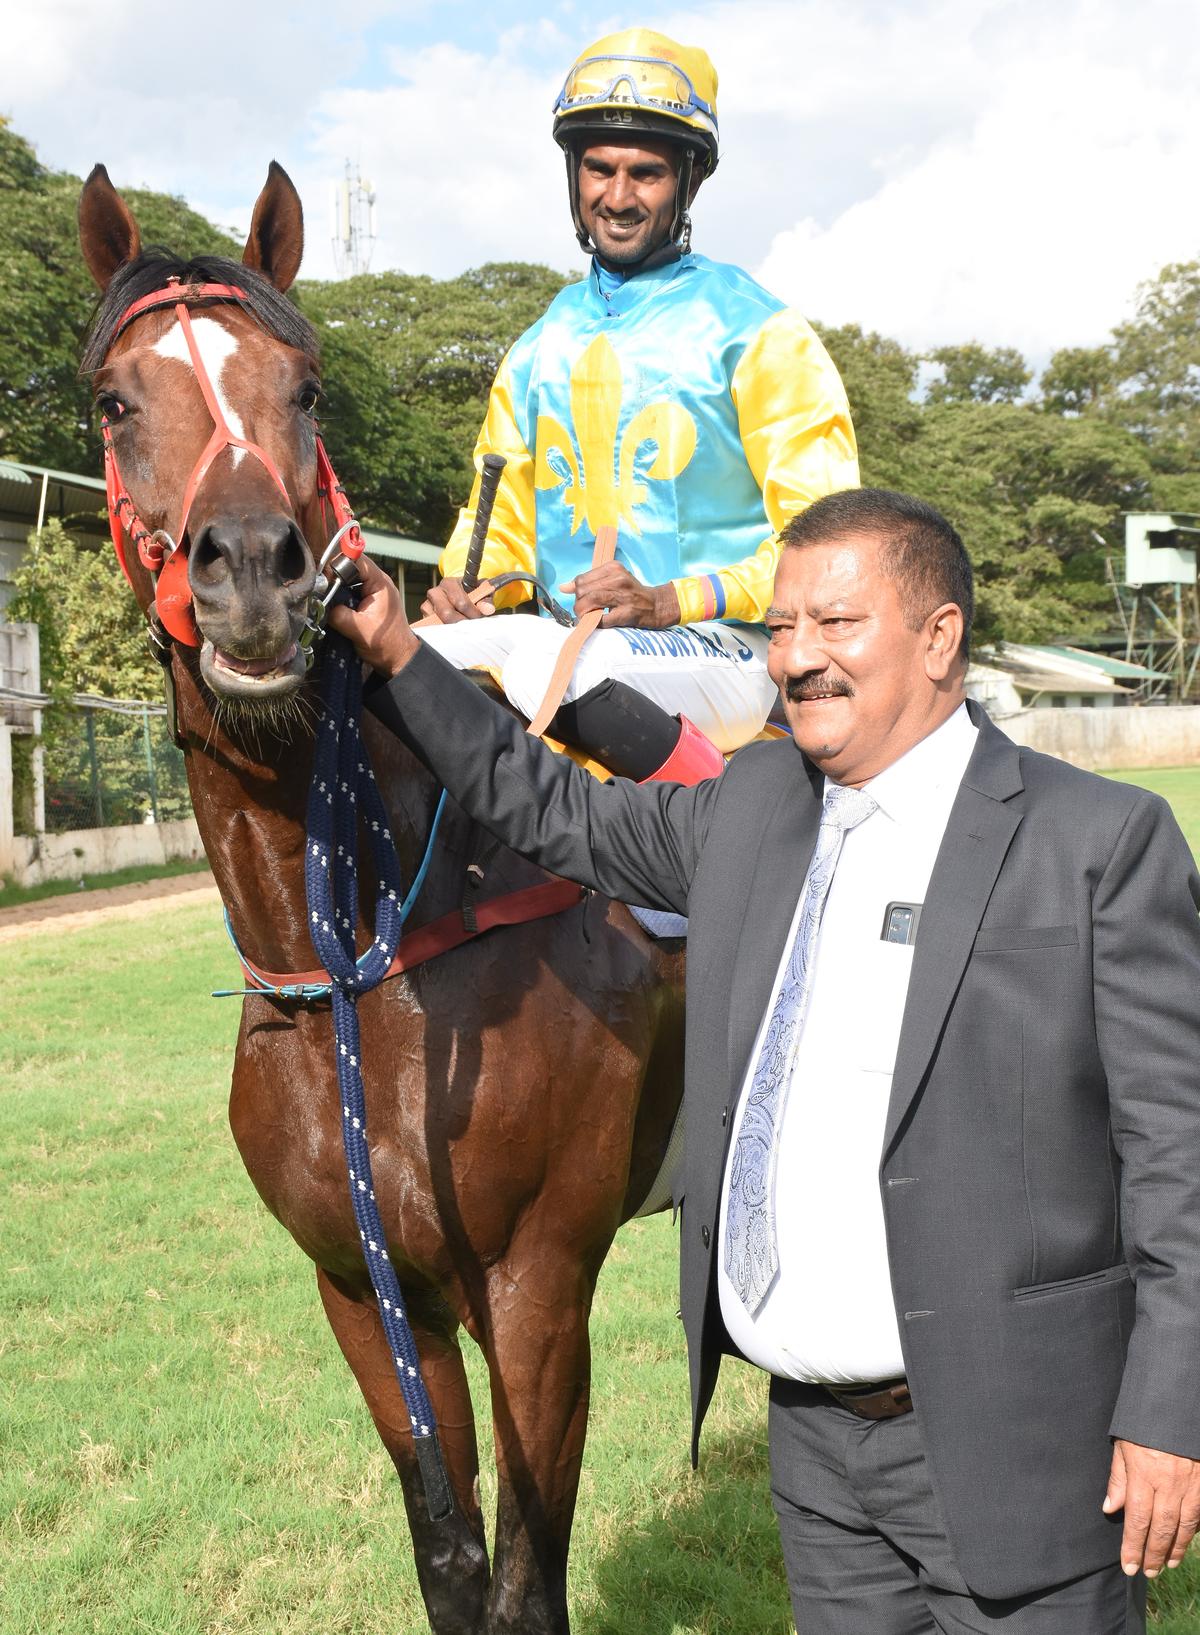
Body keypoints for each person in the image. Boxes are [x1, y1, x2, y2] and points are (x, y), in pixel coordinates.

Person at [333, 486, 1200, 1634]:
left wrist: (1171, 1416)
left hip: (1022, 1444)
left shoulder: (1099, 844)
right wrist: (398, 649)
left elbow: (1178, 1158)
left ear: (939, 639)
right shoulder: (752, 808)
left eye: (836, 625)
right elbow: (545, 806)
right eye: (782, 627)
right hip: (818, 1460)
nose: (796, 658)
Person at [419, 27, 859, 783]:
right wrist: (470, 588)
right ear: (574, 173)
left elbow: (824, 550)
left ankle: (702, 862)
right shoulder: (534, 350)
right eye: (599, 168)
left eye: (645, 173)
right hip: (563, 646)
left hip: (729, 649)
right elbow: (500, 534)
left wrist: (666, 600)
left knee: (573, 667)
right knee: (390, 659)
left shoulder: (760, 334)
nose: (617, 198)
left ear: (688, 179)